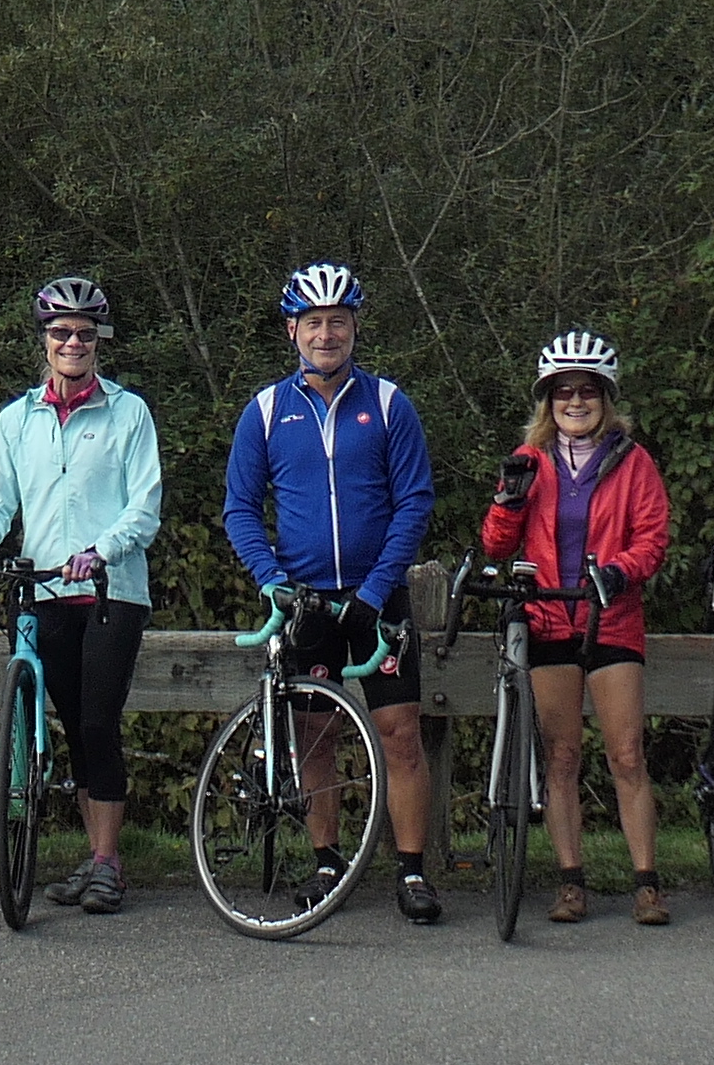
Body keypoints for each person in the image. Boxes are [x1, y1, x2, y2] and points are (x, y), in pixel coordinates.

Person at [219, 262, 444, 921]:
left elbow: (414, 502)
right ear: (292, 330)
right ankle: (327, 863)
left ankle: (411, 871)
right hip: (306, 600)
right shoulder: (266, 411)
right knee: (315, 735)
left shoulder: (389, 404)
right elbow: (239, 507)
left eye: (337, 322)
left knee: (400, 733)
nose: (326, 334)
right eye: (313, 322)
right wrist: (271, 580)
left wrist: (376, 588)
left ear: (354, 327)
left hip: (376, 598)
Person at [0, 276, 162, 915]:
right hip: (43, 590)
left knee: (98, 722)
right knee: (74, 728)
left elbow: (144, 506)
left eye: (84, 333)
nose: (72, 343)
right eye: (60, 332)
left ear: (99, 341)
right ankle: (94, 857)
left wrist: (101, 549)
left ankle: (108, 862)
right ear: (44, 340)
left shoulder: (128, 413)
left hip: (110, 591)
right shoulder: (18, 419)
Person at [475, 329, 673, 926]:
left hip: (610, 617)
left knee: (627, 754)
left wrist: (620, 570)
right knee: (561, 756)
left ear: (606, 398)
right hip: (549, 616)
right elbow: (496, 545)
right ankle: (570, 882)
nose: (576, 401)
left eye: (588, 390)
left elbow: (653, 539)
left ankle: (647, 884)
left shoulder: (634, 462)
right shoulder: (529, 461)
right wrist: (508, 503)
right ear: (548, 401)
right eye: (564, 392)